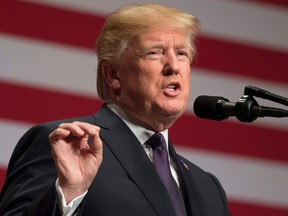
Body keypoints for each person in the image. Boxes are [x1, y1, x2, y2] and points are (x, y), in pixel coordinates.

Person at [0, 3, 231, 216]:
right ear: (113, 74)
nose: (173, 66)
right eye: (155, 52)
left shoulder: (208, 187)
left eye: (181, 53)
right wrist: (68, 194)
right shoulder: (69, 147)